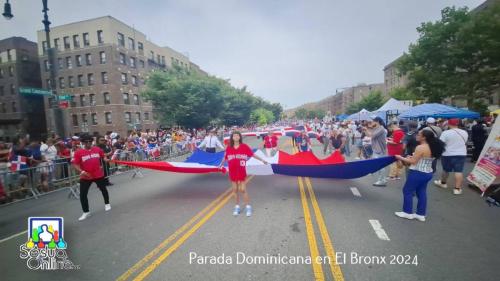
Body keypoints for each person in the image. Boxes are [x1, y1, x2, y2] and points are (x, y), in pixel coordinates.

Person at [395, 130, 445, 221]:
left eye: (418, 135)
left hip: (417, 172)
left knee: (407, 190)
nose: (416, 136)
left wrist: (400, 157)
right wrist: (411, 157)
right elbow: (424, 159)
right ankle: (420, 214)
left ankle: (407, 212)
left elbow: (413, 162)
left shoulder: (420, 147)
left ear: (424, 137)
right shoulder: (433, 146)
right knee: (421, 192)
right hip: (428, 172)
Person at [218, 131, 268, 217]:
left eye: (237, 135)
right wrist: (220, 165)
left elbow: (252, 155)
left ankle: (248, 206)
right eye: (234, 136)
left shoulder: (244, 147)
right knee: (235, 190)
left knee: (243, 189)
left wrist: (262, 160)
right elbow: (225, 157)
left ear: (240, 137)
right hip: (232, 171)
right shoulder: (229, 148)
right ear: (232, 137)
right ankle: (237, 206)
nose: (236, 137)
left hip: (241, 171)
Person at [72, 134, 111, 221]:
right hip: (86, 176)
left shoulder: (97, 149)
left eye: (90, 141)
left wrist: (105, 159)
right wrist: (82, 171)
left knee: (103, 189)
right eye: (86, 142)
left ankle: (107, 204)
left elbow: (103, 156)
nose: (89, 143)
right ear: (83, 143)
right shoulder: (78, 152)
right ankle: (86, 212)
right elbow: (75, 164)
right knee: (83, 194)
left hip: (98, 174)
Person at [434, 118, 468, 195]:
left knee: (446, 170)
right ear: (458, 124)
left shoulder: (445, 133)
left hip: (447, 154)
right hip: (461, 154)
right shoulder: (464, 132)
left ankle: (443, 183)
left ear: (448, 124)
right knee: (458, 171)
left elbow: (441, 144)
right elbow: (465, 142)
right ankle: (457, 189)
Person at [367, 117, 388, 186]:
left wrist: (366, 129)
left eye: (373, 121)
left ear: (377, 121)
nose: (372, 123)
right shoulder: (377, 128)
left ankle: (382, 180)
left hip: (380, 150)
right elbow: (370, 136)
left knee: (380, 166)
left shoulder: (381, 129)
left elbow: (372, 136)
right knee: (378, 165)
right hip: (376, 149)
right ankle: (382, 179)